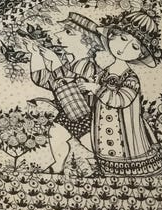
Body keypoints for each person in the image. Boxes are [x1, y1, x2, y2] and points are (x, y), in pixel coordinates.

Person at [78, 10, 162, 177]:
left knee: (127, 167)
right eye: (123, 39)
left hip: (126, 134)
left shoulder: (131, 78)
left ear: (140, 54)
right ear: (112, 36)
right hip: (102, 132)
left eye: (134, 47)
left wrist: (96, 89)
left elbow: (121, 100)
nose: (124, 48)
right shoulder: (104, 72)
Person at [24, 14, 103, 173]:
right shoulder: (69, 63)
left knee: (91, 144)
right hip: (67, 112)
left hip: (85, 115)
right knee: (56, 134)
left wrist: (56, 64)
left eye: (67, 32)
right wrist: (36, 55)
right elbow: (45, 81)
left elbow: (73, 85)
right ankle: (57, 165)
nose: (58, 34)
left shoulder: (88, 66)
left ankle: (105, 166)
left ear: (88, 42)